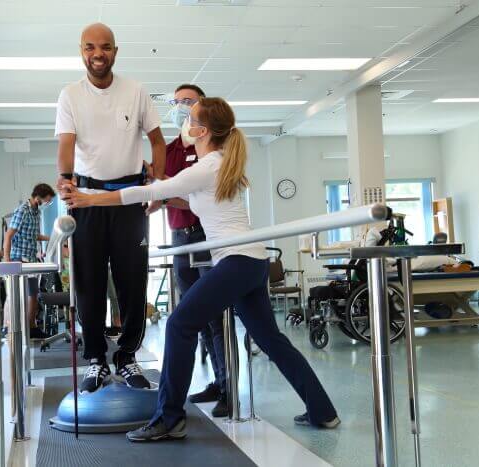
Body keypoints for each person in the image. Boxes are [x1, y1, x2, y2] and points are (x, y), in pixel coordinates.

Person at [61, 97, 340, 442]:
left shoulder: (208, 166)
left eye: (190, 117)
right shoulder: (219, 164)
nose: (184, 121)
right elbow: (182, 197)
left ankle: (169, 418)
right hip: (253, 262)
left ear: (203, 131)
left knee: (180, 324)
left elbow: (153, 191)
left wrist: (90, 198)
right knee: (271, 339)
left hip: (237, 260)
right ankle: (322, 410)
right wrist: (160, 191)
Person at [55, 23, 166, 393]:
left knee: (133, 281)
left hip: (129, 198)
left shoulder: (135, 91)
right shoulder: (70, 95)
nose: (97, 54)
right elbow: (67, 144)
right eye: (90, 47)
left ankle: (128, 357)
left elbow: (157, 141)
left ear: (115, 51)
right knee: (88, 283)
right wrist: (66, 178)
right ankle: (97, 360)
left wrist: (157, 185)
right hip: (86, 201)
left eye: (104, 47)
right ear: (81, 50)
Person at [146, 83, 228, 417]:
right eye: (177, 102)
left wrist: (163, 191)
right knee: (196, 317)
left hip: (208, 235)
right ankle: (216, 383)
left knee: (216, 316)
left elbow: (190, 195)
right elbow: (162, 190)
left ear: (203, 109)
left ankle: (229, 385)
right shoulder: (169, 149)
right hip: (181, 236)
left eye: (188, 102)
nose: (181, 107)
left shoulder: (211, 149)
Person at [3, 183, 55, 339]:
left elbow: (34, 235)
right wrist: (7, 261)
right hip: (18, 259)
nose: (47, 203)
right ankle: (9, 327)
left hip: (30, 260)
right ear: (38, 197)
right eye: (47, 200)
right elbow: (8, 235)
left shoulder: (35, 213)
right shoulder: (22, 211)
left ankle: (31, 327)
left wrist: (52, 238)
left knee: (33, 294)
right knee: (17, 295)